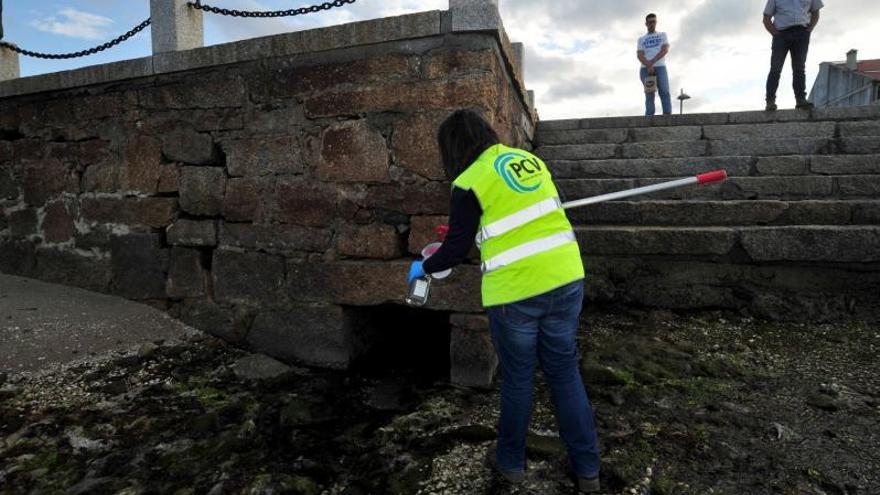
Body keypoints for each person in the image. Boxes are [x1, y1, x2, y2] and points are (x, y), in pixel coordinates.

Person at [407, 110, 601, 493]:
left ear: (453, 148)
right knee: (564, 373)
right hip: (566, 278)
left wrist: (423, 267)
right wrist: (470, 228)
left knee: (518, 380)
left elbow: (454, 252)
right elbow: (526, 219)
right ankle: (588, 470)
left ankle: (511, 463)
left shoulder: (468, 181)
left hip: (515, 293)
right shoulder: (530, 161)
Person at [763, 0, 824, 111]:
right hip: (781, 34)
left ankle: (801, 100)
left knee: (799, 68)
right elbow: (766, 18)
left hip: (802, 33)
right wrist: (776, 35)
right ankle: (770, 101)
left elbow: (816, 12)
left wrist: (809, 30)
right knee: (775, 69)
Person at [637, 13, 672, 116]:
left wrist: (651, 63)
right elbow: (639, 55)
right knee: (649, 93)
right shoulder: (641, 39)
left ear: (656, 22)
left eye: (654, 21)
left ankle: (667, 115)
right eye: (650, 22)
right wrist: (648, 65)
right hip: (645, 69)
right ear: (646, 24)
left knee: (664, 91)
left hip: (660, 66)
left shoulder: (662, 35)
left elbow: (665, 50)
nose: (652, 24)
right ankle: (649, 116)